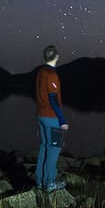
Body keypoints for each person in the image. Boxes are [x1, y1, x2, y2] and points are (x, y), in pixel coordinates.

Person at [34, 44, 69, 192]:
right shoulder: (51, 75)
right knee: (54, 148)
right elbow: (53, 98)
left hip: (41, 115)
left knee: (44, 147)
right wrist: (62, 120)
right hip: (51, 117)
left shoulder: (41, 72)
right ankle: (49, 183)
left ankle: (40, 181)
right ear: (56, 56)